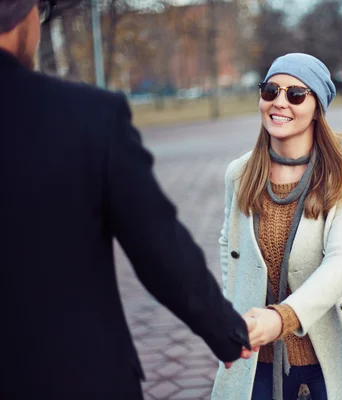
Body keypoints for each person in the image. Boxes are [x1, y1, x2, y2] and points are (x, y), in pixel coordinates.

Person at [0, 1, 254, 399]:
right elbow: (159, 248)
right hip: (74, 377)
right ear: (21, 17)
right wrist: (226, 331)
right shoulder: (84, 117)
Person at [212, 53, 342, 400]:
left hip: (326, 357)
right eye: (270, 91)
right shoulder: (240, 173)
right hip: (256, 361)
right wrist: (232, 315)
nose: (279, 102)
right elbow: (228, 248)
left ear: (317, 107)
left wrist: (282, 319)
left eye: (295, 94)